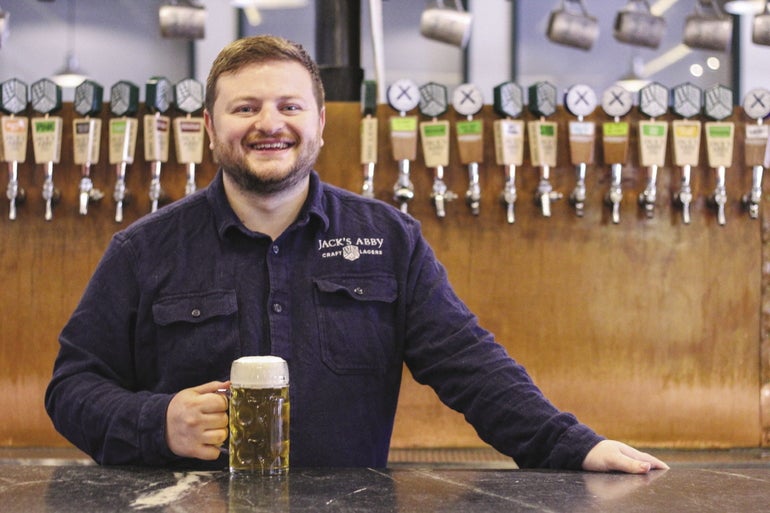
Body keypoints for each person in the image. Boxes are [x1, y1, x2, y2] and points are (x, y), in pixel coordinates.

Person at [45, 35, 667, 474]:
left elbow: (468, 364)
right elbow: (72, 387)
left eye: (290, 106)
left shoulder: (390, 240)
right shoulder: (143, 250)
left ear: (320, 123)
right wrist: (159, 423)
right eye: (245, 107)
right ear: (209, 128)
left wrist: (572, 445)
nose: (270, 123)